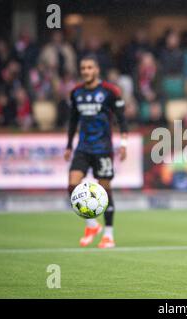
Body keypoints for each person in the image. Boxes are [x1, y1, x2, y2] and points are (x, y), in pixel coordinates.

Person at [64, 55, 128, 248]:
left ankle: (108, 234)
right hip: (83, 148)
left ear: (97, 70)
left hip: (103, 149)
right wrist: (69, 145)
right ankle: (91, 225)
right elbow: (73, 120)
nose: (86, 71)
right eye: (83, 68)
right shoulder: (76, 93)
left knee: (106, 191)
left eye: (89, 67)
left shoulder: (110, 92)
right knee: (72, 184)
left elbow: (121, 119)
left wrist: (123, 143)